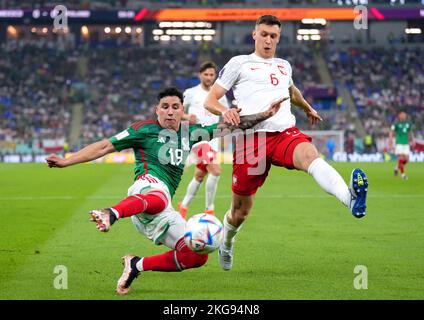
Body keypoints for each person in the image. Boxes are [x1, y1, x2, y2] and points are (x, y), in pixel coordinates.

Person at [46, 87, 285, 294]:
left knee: (196, 255)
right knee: (158, 196)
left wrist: (265, 115)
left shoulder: (190, 133)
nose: (170, 111)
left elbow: (231, 125)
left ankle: (136, 265)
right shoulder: (142, 130)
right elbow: (104, 146)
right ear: (156, 110)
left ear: (182, 110)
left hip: (160, 209)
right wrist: (68, 160)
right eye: (165, 107)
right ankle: (111, 213)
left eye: (175, 107)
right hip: (145, 190)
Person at [204, 14, 369, 271]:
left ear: (278, 38)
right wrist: (224, 112)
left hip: (283, 132)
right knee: (240, 212)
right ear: (254, 34)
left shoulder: (284, 65)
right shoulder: (239, 63)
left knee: (310, 155)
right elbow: (211, 99)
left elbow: (291, 91)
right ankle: (226, 241)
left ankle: (350, 199)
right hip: (251, 140)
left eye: (273, 36)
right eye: (264, 34)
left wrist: (307, 108)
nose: (268, 40)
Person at [178, 61, 231, 219]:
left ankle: (184, 205)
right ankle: (209, 209)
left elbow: (225, 114)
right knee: (216, 170)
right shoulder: (191, 92)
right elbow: (177, 111)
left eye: (211, 75)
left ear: (215, 76)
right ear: (200, 75)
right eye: (205, 74)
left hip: (213, 139)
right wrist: (187, 116)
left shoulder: (220, 95)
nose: (208, 77)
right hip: (197, 137)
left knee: (200, 175)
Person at [389, 110, 414, 180]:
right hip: (399, 143)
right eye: (402, 114)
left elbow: (410, 132)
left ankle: (396, 168)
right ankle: (403, 175)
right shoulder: (396, 123)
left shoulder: (408, 123)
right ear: (399, 115)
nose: (403, 115)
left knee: (407, 159)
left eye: (404, 114)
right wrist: (390, 141)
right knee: (401, 158)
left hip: (406, 143)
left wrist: (412, 140)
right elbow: (391, 132)